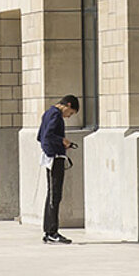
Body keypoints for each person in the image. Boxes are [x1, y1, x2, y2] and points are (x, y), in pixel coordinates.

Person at [37, 94, 79, 244]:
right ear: (67, 105)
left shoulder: (47, 113)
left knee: (53, 194)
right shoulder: (56, 115)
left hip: (50, 157)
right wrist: (63, 141)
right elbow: (48, 135)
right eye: (71, 113)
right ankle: (51, 231)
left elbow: (39, 136)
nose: (68, 117)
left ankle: (50, 231)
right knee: (55, 195)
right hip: (54, 158)